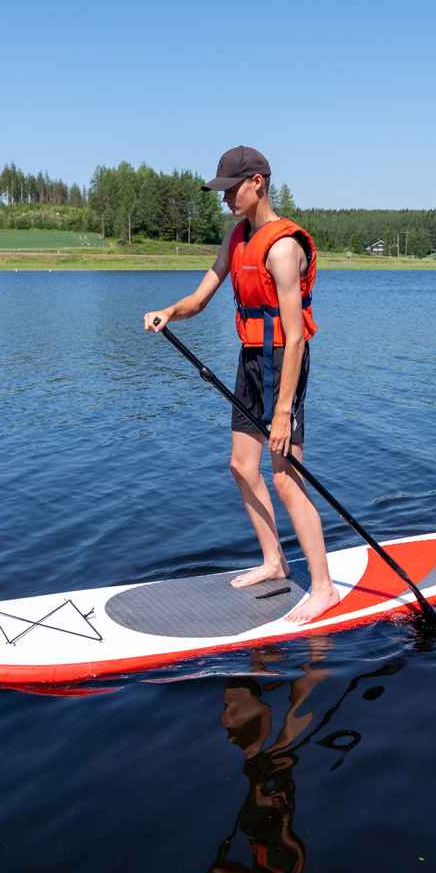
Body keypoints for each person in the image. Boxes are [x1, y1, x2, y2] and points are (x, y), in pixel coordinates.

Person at [144, 146, 339, 624]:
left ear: (257, 182)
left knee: (286, 476)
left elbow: (295, 338)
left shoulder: (283, 248)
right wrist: (171, 311)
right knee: (240, 465)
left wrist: (283, 409)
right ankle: (274, 562)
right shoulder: (237, 239)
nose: (225, 198)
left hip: (282, 363)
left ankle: (324, 588)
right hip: (251, 358)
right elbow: (201, 296)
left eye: (231, 189)